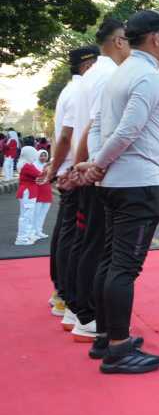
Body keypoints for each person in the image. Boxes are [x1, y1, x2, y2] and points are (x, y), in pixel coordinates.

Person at [76, 9, 159, 372]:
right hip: (137, 182)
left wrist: (97, 163)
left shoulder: (119, 75)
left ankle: (107, 337)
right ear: (155, 37)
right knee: (124, 267)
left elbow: (101, 126)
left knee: (110, 261)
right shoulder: (148, 77)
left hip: (115, 182)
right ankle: (118, 348)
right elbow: (127, 130)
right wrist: (97, 163)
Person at [65, 18, 131, 341]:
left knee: (83, 240)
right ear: (120, 41)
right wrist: (84, 168)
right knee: (96, 244)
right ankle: (87, 315)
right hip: (93, 168)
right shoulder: (109, 75)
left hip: (86, 165)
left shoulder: (90, 75)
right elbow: (94, 127)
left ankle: (76, 308)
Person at [41, 44, 99, 316]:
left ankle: (61, 292)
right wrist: (63, 168)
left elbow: (62, 137)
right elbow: (67, 136)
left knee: (66, 234)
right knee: (76, 237)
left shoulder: (71, 90)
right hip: (74, 171)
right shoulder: (80, 91)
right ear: (87, 64)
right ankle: (67, 295)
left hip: (67, 168)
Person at [14, 146, 41, 245]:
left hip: (28, 191)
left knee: (27, 214)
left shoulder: (25, 164)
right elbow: (39, 174)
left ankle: (27, 235)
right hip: (28, 192)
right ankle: (22, 238)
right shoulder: (27, 166)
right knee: (26, 215)